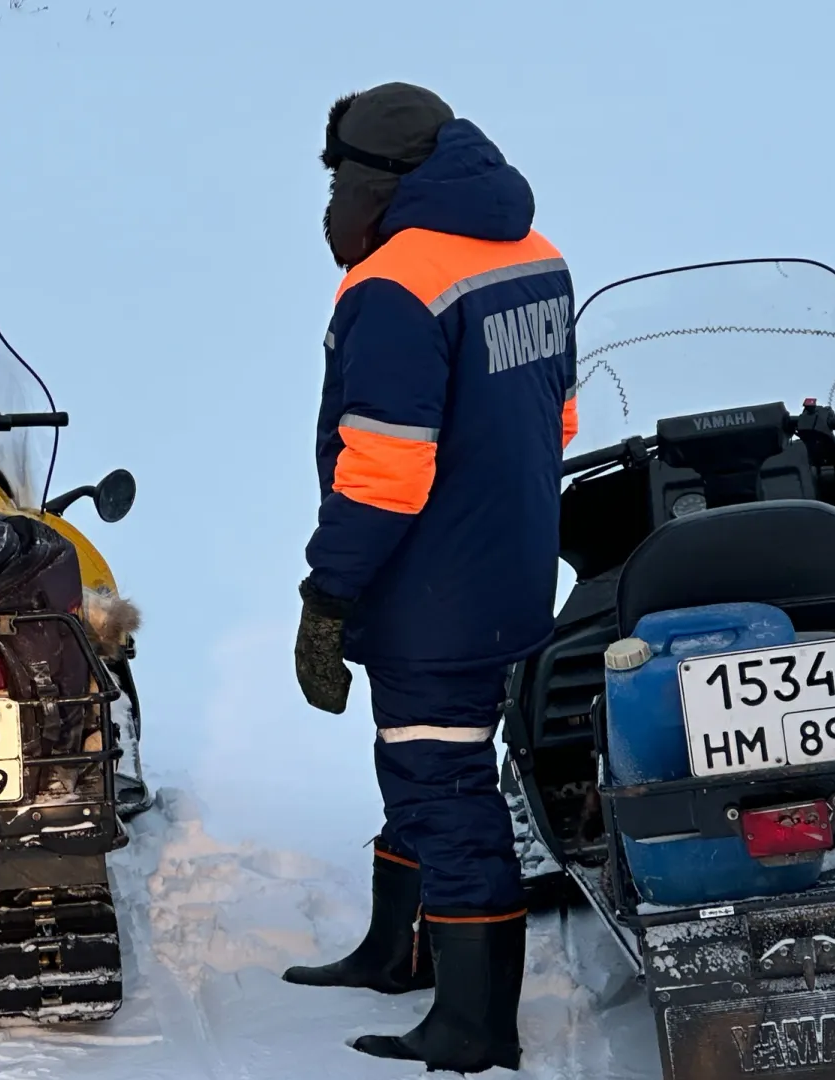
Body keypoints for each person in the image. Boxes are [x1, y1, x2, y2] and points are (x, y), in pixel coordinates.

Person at [281, 84, 579, 1071]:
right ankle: (397, 951)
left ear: (382, 179)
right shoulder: (535, 256)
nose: (330, 201)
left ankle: (475, 1021)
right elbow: (560, 421)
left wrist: (328, 593)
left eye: (337, 178)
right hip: (511, 572)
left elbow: (386, 469)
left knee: (442, 783)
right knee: (423, 765)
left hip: (432, 592)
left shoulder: (396, 284)